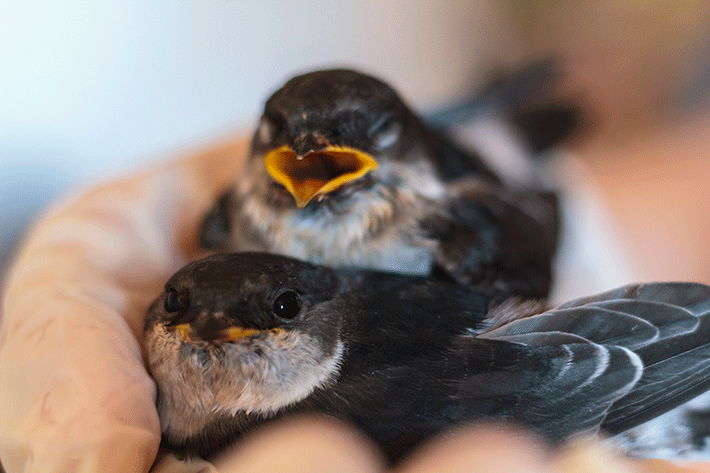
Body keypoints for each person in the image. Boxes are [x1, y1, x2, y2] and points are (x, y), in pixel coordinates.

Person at [0, 135, 706, 473]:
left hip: (623, 406)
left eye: (276, 312)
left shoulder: (364, 392)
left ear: (318, 312)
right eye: (179, 306)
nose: (210, 329)